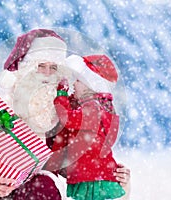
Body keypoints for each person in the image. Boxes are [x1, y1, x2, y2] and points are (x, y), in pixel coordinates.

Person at [0, 29, 131, 200]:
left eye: (53, 67)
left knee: (43, 186)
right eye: (40, 66)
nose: (46, 75)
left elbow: (82, 156)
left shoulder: (61, 114)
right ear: (25, 68)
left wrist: (109, 175)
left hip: (39, 192)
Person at [45, 54, 130, 200]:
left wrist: (61, 93)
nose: (74, 84)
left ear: (90, 85)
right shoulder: (96, 106)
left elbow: (67, 117)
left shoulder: (94, 108)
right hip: (92, 172)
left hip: (92, 176)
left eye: (78, 81)